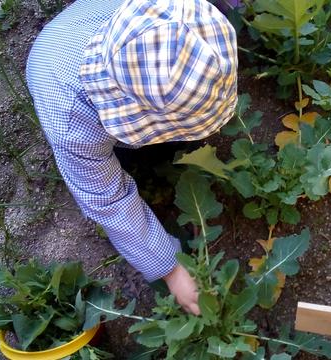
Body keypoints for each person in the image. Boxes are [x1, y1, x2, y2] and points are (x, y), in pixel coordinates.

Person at [26, 0, 237, 315]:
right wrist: (171, 269)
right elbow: (108, 200)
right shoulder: (73, 121)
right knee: (116, 169)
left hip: (89, 18)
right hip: (52, 65)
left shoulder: (163, 16)